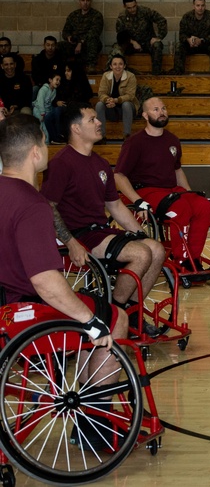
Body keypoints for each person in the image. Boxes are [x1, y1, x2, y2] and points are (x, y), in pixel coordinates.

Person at [0, 114, 126, 396]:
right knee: (113, 318)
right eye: (45, 142)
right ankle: (97, 425)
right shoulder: (33, 204)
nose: (48, 148)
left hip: (5, 306)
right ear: (35, 152)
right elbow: (45, 282)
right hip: (23, 312)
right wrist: (90, 321)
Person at [41, 103, 167, 336]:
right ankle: (114, 315)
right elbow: (48, 207)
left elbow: (115, 205)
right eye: (92, 119)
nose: (99, 122)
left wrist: (140, 234)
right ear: (76, 129)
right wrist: (70, 242)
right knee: (141, 254)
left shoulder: (100, 164)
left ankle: (130, 311)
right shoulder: (61, 163)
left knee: (156, 249)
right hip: (80, 235)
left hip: (101, 231)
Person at [114, 97, 210, 275]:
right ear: (145, 115)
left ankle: (194, 259)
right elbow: (119, 175)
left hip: (171, 192)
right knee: (181, 208)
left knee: (203, 205)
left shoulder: (173, 140)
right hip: (145, 191)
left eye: (163, 108)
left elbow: (177, 171)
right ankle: (182, 260)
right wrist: (137, 201)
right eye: (155, 109)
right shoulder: (135, 142)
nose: (161, 112)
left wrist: (190, 193)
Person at [115, 0, 167, 74]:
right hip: (131, 44)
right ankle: (117, 73)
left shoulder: (145, 11)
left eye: (134, 6)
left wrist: (158, 37)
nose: (132, 9)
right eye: (129, 8)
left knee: (157, 45)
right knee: (116, 48)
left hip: (147, 42)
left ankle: (156, 73)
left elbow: (161, 20)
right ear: (124, 6)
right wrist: (132, 42)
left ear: (136, 3)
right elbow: (120, 35)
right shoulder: (122, 17)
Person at [47, 61, 93, 144]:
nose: (65, 73)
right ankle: (55, 139)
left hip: (75, 108)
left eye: (68, 71)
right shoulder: (64, 83)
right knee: (48, 117)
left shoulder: (81, 83)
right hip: (64, 108)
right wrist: (57, 102)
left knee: (58, 111)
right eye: (65, 71)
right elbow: (55, 98)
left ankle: (60, 136)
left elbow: (84, 99)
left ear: (74, 71)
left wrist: (67, 104)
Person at [175, 0, 210, 74]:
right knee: (179, 46)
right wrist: (188, 39)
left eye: (202, 5)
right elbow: (182, 34)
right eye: (198, 5)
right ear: (194, 6)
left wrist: (202, 40)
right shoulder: (187, 17)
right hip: (191, 45)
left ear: (205, 6)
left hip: (206, 44)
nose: (200, 8)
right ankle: (178, 73)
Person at [94, 54, 137, 140]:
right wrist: (108, 100)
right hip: (111, 108)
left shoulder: (131, 76)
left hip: (127, 110)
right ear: (110, 66)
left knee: (126, 104)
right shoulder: (106, 76)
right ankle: (101, 136)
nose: (118, 67)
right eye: (115, 64)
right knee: (99, 105)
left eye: (120, 64)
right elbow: (101, 93)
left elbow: (130, 96)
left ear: (124, 66)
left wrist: (116, 100)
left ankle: (127, 136)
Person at [61, 0, 105, 72]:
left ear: (90, 2)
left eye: (87, 1)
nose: (85, 3)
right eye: (83, 0)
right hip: (74, 44)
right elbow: (65, 31)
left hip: (88, 44)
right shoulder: (73, 15)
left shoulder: (96, 15)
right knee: (59, 46)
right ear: (79, 2)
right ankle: (61, 68)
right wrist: (69, 37)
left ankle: (91, 66)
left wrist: (81, 43)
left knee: (93, 40)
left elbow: (94, 32)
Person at [32, 70, 60, 143]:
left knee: (47, 126)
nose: (58, 82)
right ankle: (46, 144)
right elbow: (40, 101)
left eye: (59, 80)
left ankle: (51, 140)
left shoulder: (54, 91)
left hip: (46, 111)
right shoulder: (43, 89)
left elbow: (49, 103)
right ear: (50, 80)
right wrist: (42, 113)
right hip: (39, 110)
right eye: (57, 79)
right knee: (42, 128)